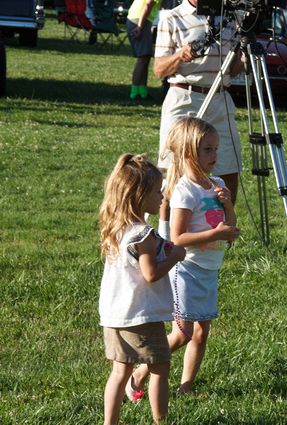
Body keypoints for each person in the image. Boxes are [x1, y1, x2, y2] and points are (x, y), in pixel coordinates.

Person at [128, 117, 240, 397]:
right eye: (208, 150)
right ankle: (139, 373)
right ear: (190, 152)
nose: (215, 155)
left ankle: (186, 386)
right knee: (182, 334)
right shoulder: (185, 191)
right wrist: (216, 235)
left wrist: (227, 205)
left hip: (209, 269)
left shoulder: (215, 184)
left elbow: (231, 222)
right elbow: (177, 239)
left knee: (202, 333)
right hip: (187, 269)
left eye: (216, 148)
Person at [98, 154, 186, 425]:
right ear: (139, 196)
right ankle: (161, 420)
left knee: (119, 371)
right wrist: (175, 257)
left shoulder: (117, 229)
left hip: (115, 315)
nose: (162, 196)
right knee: (160, 368)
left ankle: (109, 422)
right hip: (141, 317)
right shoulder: (142, 235)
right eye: (157, 191)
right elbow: (150, 273)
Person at [154, 0, 244, 239]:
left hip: (220, 96)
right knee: (173, 168)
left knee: (229, 165)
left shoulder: (230, 17)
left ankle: (217, 228)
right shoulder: (172, 17)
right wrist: (181, 55)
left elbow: (232, 69)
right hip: (185, 95)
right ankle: (166, 235)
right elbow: (159, 69)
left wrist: (244, 55)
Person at [125, 0, 160, 101]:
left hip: (137, 19)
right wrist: (140, 27)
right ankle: (134, 93)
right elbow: (148, 5)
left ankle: (143, 92)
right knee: (143, 58)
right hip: (140, 20)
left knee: (145, 57)